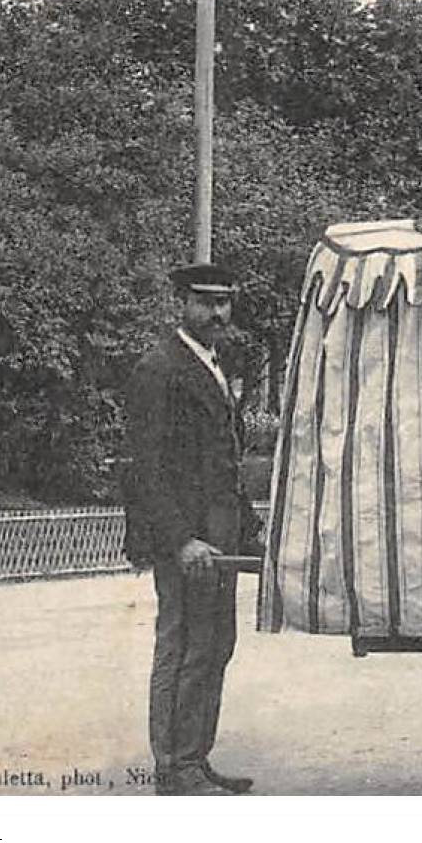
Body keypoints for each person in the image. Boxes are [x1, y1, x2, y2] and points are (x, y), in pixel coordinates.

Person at [123, 263, 262, 796]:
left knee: (214, 644)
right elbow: (146, 467)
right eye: (205, 302)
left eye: (225, 302)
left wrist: (246, 528)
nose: (217, 312)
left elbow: (222, 462)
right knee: (183, 646)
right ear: (181, 302)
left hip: (219, 537)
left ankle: (195, 759)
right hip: (188, 541)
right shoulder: (159, 368)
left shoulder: (213, 365)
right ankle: (174, 768)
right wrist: (181, 538)